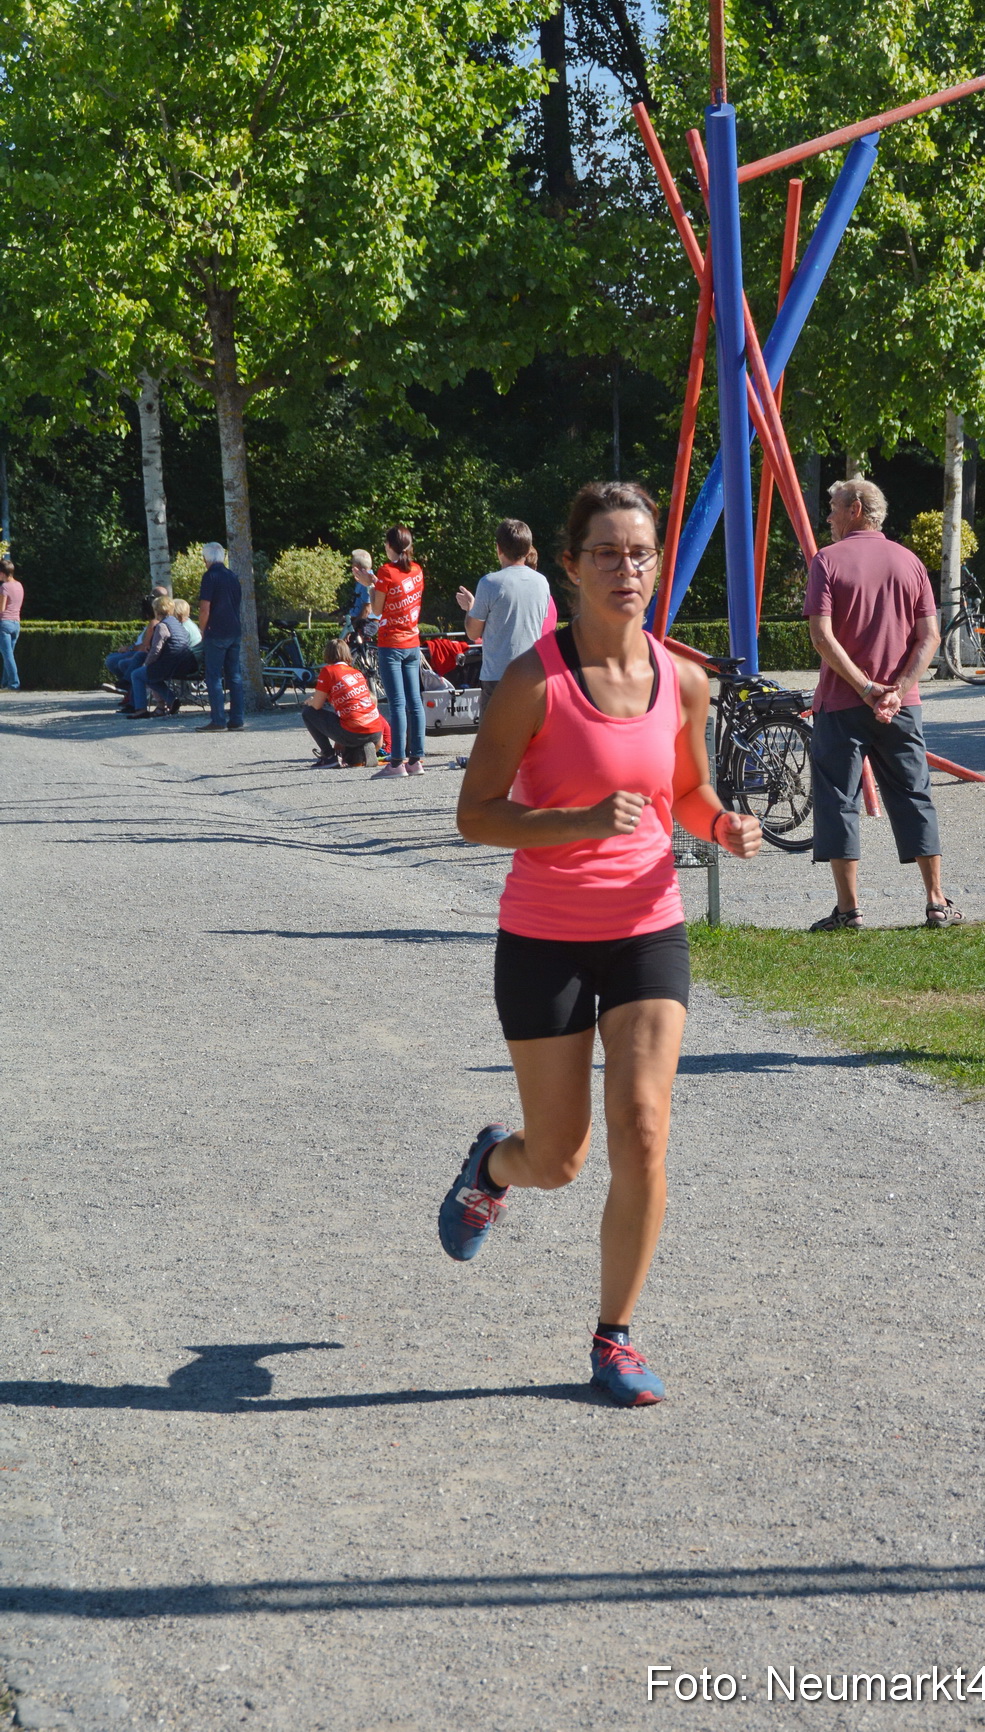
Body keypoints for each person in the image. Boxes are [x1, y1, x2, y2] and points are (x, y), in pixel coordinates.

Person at [446, 481, 762, 1406]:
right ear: (570, 563)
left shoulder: (684, 680)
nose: (625, 570)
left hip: (645, 931)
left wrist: (723, 825)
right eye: (605, 554)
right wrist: (575, 821)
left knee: (644, 1128)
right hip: (543, 937)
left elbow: (687, 797)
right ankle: (491, 1165)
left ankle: (614, 1337)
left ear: (655, 562)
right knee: (560, 1158)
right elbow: (474, 817)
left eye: (639, 554)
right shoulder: (531, 683)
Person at [803, 478, 961, 931]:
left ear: (855, 508)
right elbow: (929, 637)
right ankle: (936, 902)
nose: (828, 517)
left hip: (841, 704)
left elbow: (821, 636)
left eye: (833, 508)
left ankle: (848, 911)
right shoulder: (910, 562)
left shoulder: (827, 562)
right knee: (915, 794)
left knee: (837, 801)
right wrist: (896, 688)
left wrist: (865, 687)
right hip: (902, 704)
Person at [455, 519, 553, 716]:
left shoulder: (490, 583)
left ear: (498, 548)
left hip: (498, 676)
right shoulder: (542, 583)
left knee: (492, 743)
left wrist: (470, 608)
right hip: (532, 673)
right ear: (527, 550)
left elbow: (473, 633)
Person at [371, 525, 425, 778]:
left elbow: (378, 609)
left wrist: (371, 585)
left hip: (391, 643)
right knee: (415, 703)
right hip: (412, 642)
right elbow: (399, 590)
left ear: (390, 546)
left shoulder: (385, 570)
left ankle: (396, 764)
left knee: (397, 704)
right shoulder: (417, 570)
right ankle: (416, 760)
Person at [302, 638, 388, 767]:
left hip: (353, 731)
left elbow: (317, 705)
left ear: (327, 654)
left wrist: (311, 701)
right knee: (351, 760)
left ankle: (328, 756)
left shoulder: (328, 671)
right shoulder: (356, 673)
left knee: (308, 712)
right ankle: (361, 752)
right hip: (375, 732)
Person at [197, 542, 244, 733]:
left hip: (216, 631)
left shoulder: (210, 577)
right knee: (234, 676)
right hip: (234, 630)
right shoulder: (232, 576)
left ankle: (218, 719)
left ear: (206, 559)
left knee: (214, 675)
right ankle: (237, 719)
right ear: (223, 557)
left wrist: (202, 629)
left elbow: (204, 607)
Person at [126, 596, 197, 718]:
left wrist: (146, 664)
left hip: (170, 664)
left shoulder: (162, 626)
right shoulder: (177, 624)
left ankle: (140, 710)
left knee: (137, 674)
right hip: (184, 662)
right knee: (149, 676)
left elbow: (156, 650)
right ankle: (172, 700)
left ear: (156, 610)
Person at [0, 559, 23, 691]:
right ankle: (5, 683)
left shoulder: (4, 587)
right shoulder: (19, 585)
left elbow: (1, 609)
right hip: (16, 623)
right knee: (9, 655)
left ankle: (14, 683)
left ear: (3, 573)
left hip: (5, 623)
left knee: (7, 656)